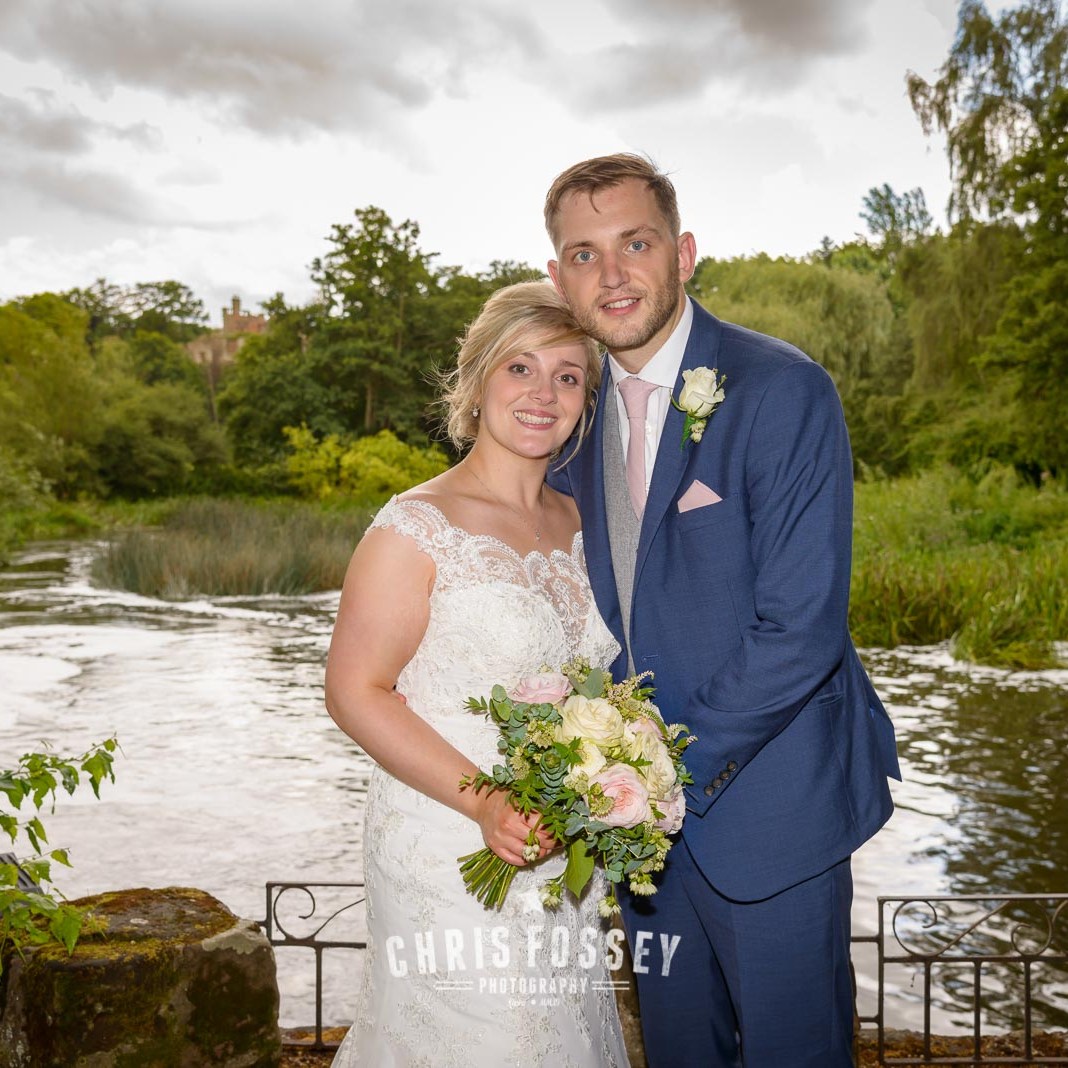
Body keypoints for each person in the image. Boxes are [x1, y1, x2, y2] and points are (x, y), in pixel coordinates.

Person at [543, 154, 902, 1068]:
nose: (611, 274)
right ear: (558, 278)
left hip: (773, 812)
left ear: (684, 254)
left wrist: (656, 770)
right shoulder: (568, 418)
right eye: (583, 255)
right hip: (637, 839)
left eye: (635, 244)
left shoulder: (780, 389)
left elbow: (802, 627)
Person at [324, 281, 630, 1067]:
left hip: (561, 850)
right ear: (476, 381)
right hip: (446, 841)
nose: (543, 394)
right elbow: (355, 692)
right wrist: (485, 801)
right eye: (519, 368)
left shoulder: (588, 526)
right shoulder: (414, 527)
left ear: (586, 402)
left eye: (568, 376)